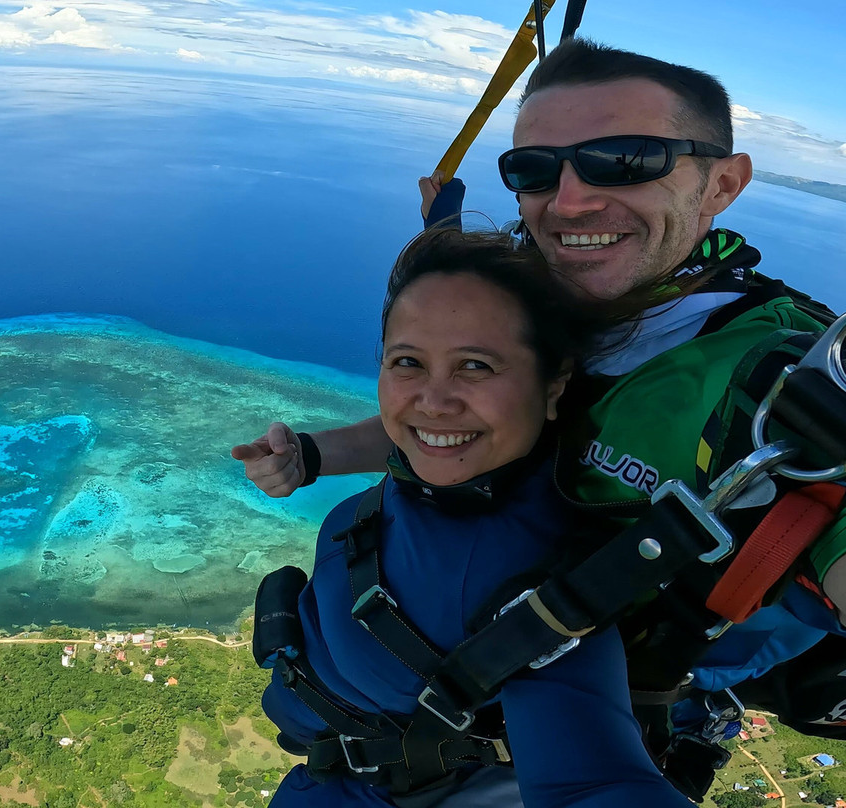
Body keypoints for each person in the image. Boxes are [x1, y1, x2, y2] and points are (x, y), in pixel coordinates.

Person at [233, 38, 846, 802]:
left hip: (541, 741)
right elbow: (450, 418)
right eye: (533, 170)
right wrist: (316, 456)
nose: (569, 201)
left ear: (723, 183)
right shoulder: (535, 286)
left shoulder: (780, 386)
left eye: (625, 160)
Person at [255, 226, 691, 808]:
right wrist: (309, 456)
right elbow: (405, 435)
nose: (435, 402)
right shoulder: (463, 464)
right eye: (408, 361)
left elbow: (592, 784)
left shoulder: (535, 592)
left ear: (554, 387)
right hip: (321, 751)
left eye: (477, 367)